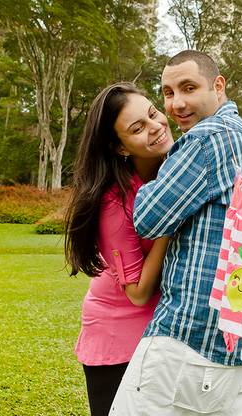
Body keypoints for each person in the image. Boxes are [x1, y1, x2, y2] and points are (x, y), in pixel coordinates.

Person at [110, 51, 242, 415]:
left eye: (189, 88)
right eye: (168, 93)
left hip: (186, 343)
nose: (177, 104)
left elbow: (149, 218)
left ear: (218, 86)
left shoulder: (206, 138)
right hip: (241, 349)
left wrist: (156, 175)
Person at [64, 82, 174, 416]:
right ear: (120, 147)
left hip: (160, 328)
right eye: (137, 128)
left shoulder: (173, 170)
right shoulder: (116, 201)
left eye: (153, 114)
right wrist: (170, 223)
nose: (155, 127)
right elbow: (137, 292)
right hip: (116, 331)